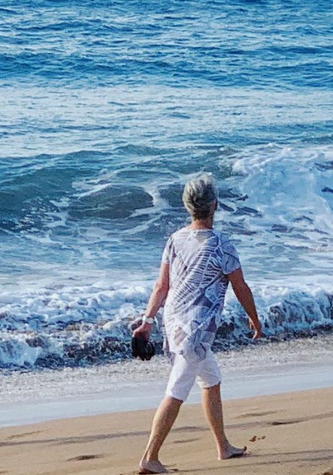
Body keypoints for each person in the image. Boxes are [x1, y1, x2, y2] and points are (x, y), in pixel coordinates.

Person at [132, 174, 265, 474]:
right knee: (177, 390)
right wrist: (255, 320)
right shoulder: (222, 245)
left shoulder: (176, 239)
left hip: (175, 323)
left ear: (188, 207)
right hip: (196, 332)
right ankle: (150, 457)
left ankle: (223, 446)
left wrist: (148, 320)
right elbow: (241, 287)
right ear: (215, 206)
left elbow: (161, 286)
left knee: (212, 379)